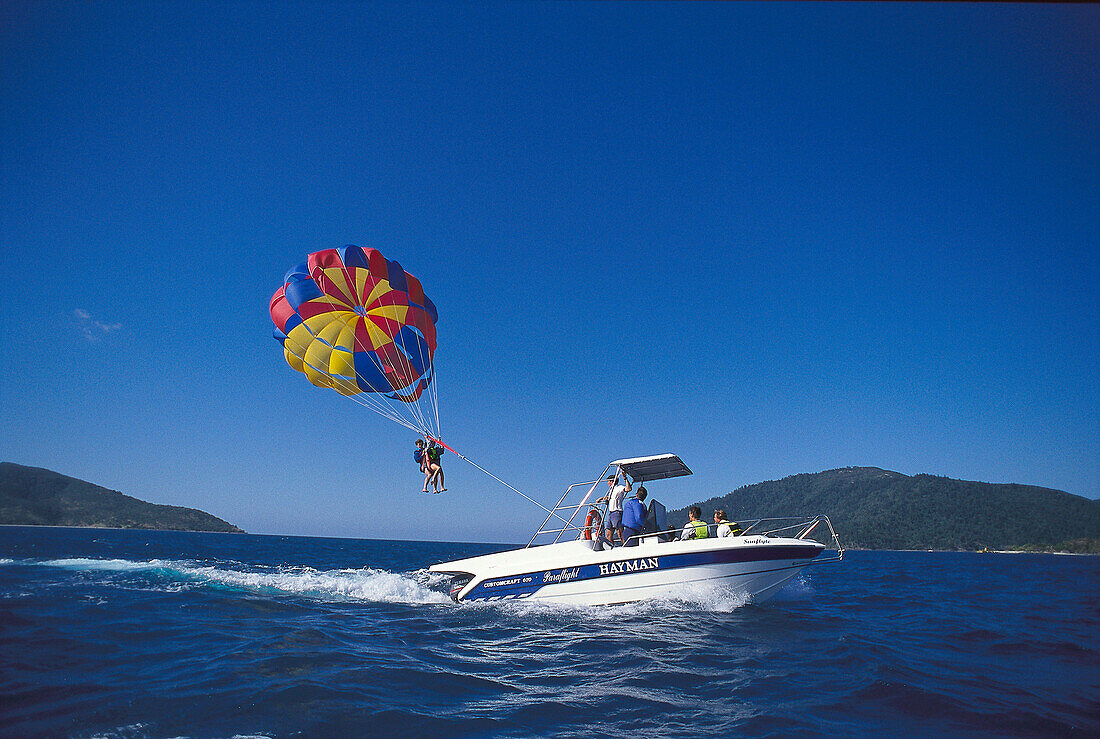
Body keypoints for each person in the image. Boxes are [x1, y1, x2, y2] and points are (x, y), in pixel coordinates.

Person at [601, 473, 631, 546]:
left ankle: (627, 546)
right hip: (611, 513)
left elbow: (628, 489)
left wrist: (625, 479)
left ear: (612, 482)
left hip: (617, 512)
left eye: (608, 481)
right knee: (608, 534)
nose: (608, 483)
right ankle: (611, 548)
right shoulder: (611, 490)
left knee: (620, 534)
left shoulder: (619, 488)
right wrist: (601, 498)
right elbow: (610, 498)